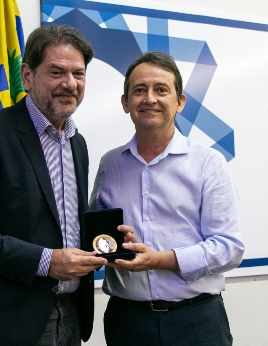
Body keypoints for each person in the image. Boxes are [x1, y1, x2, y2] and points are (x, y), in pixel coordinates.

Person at [0, 25, 107, 346]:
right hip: (7, 322)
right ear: (28, 76)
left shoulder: (78, 143)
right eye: (56, 71)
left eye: (78, 73)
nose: (69, 83)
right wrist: (47, 261)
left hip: (71, 314)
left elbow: (63, 224)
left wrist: (110, 242)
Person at [90, 51, 244, 346]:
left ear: (180, 102)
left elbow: (230, 248)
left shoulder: (208, 163)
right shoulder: (110, 164)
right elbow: (97, 233)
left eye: (161, 89)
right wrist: (105, 246)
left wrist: (159, 260)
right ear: (125, 103)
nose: (150, 98)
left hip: (197, 321)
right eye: (139, 90)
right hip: (127, 322)